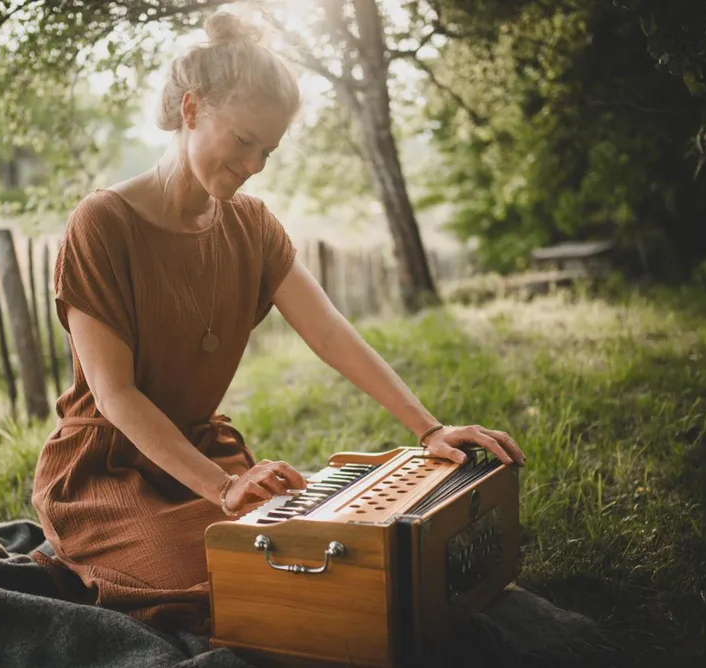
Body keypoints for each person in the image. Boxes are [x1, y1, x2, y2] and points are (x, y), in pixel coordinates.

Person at [30, 10, 526, 636]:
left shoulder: (252, 225)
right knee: (230, 580)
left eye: (267, 149)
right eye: (243, 141)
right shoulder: (101, 223)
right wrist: (223, 489)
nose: (256, 164)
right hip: (104, 468)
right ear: (190, 110)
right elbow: (115, 394)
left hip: (204, 451)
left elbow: (329, 332)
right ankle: (74, 553)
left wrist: (429, 428)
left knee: (312, 563)